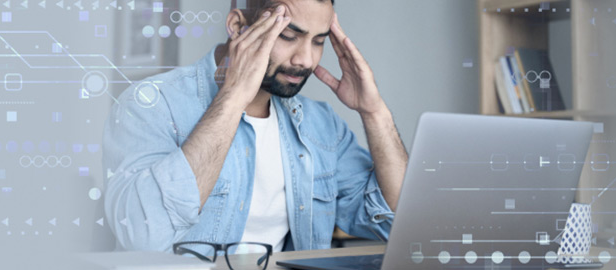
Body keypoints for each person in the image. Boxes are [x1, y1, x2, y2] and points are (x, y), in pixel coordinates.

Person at [102, 0, 408, 254]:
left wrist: (374, 111)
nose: (305, 59)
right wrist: (234, 97)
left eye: (318, 41)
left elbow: (399, 226)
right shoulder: (151, 104)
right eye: (288, 36)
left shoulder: (322, 126)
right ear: (237, 27)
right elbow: (143, 237)